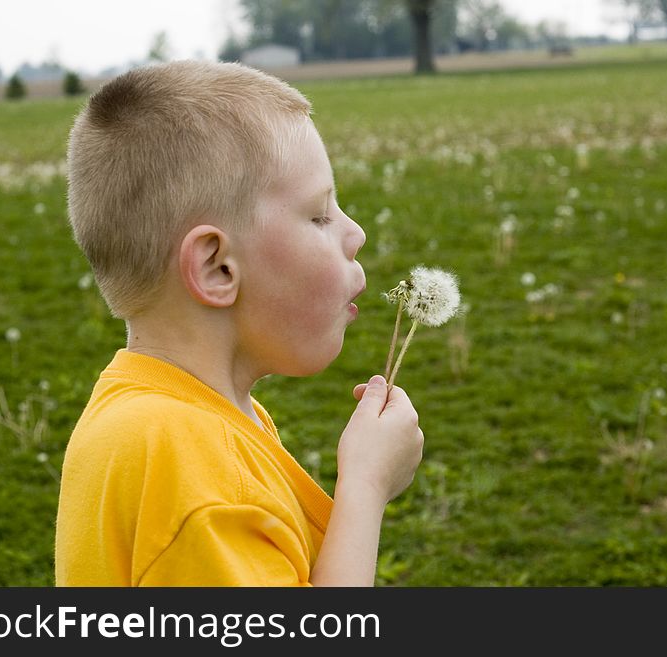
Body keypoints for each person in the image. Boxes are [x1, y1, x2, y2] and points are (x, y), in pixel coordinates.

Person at [55, 60, 424, 586]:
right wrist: (364, 488)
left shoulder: (154, 417)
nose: (356, 232)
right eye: (319, 215)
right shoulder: (200, 478)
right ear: (217, 267)